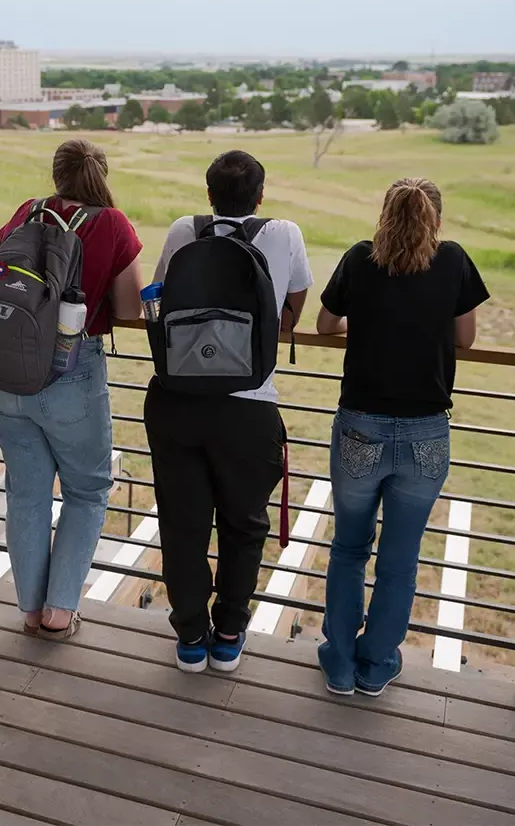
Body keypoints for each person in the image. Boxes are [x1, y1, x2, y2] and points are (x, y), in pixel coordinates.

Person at [314, 178, 488, 698]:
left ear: (385, 214)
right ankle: (376, 663)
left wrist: (364, 326)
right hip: (426, 431)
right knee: (400, 555)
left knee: (349, 547)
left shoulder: (359, 258)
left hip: (361, 425)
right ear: (436, 219)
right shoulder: (453, 260)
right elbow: (466, 337)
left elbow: (325, 325)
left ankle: (339, 662)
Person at [146, 150, 312, 673]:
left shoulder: (182, 231)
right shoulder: (284, 234)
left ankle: (191, 637)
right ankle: (230, 633)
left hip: (176, 403)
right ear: (260, 196)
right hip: (250, 406)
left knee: (183, 524)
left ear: (209, 192)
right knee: (244, 525)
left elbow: (160, 294)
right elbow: (293, 304)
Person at [0, 139, 142, 638]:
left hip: (4, 371)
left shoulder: (28, 213)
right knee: (87, 491)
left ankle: (30, 609)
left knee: (26, 493)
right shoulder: (111, 224)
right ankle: (59, 612)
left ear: (56, 174)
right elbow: (132, 308)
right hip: (71, 372)